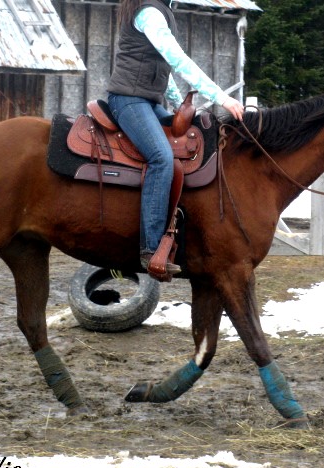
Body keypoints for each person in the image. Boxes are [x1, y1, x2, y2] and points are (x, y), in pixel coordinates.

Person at [107, 0, 245, 277]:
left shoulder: (160, 10)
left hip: (148, 101)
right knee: (161, 157)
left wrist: (177, 106)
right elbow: (176, 58)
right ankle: (150, 247)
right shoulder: (150, 12)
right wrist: (221, 97)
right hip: (129, 100)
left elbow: (162, 68)